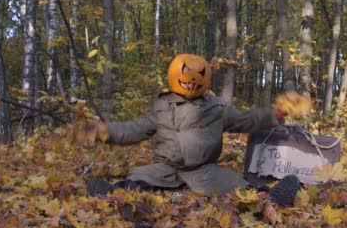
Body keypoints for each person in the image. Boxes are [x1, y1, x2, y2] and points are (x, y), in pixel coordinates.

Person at [85, 54, 301, 206]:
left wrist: (277, 113)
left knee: (239, 186)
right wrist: (102, 132)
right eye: (185, 71)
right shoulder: (160, 108)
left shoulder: (216, 108)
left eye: (199, 73)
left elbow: (246, 120)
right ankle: (114, 194)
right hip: (165, 167)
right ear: (175, 74)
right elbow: (132, 129)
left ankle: (270, 198)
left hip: (204, 170)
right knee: (138, 179)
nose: (191, 79)